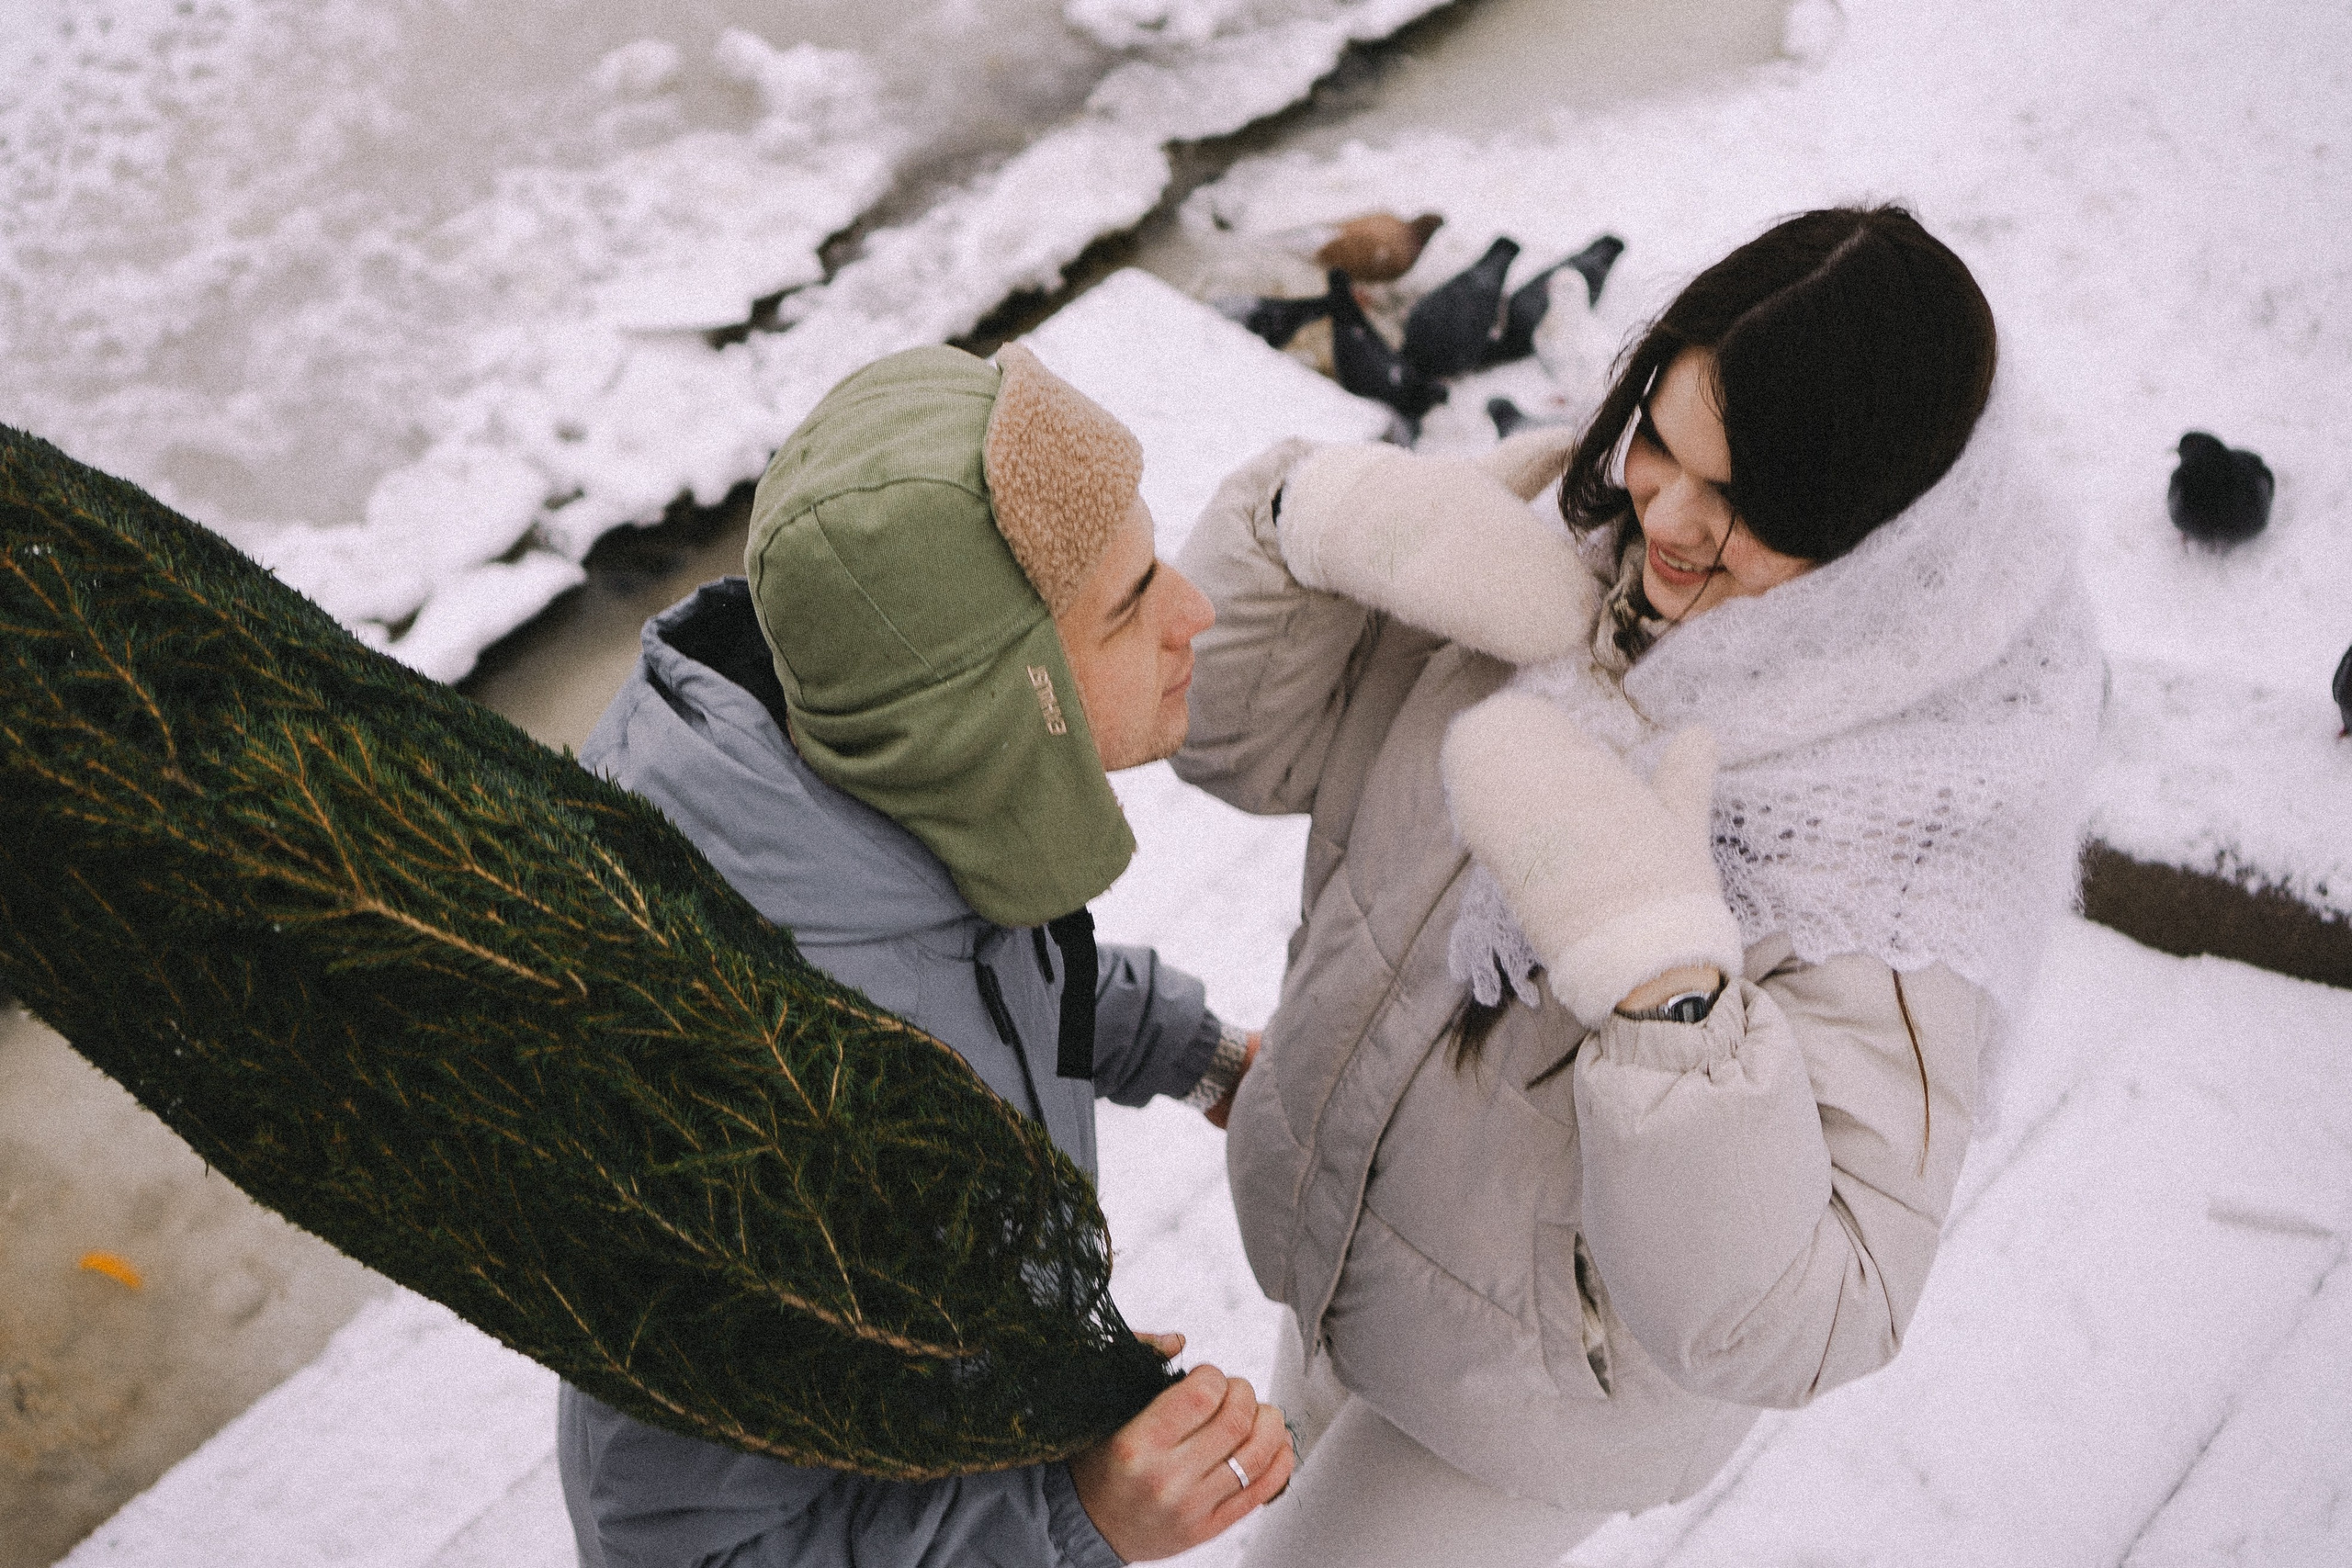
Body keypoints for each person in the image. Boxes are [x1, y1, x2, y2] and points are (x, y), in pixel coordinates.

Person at [1172, 206, 2105, 1565]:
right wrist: (1299, 520)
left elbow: (1808, 1311)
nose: (1665, 516)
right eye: (1658, 440)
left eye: (1744, 501)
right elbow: (1224, 732)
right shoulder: (1563, 526)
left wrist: (1668, 991)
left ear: (1873, 531)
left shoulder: (1897, 831)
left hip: (1533, 1406)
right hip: (1338, 1235)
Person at [557, 342, 1293, 1567]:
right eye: (1130, 601)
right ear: (1006, 712)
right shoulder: (748, 1104)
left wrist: (1197, 1052)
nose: (1193, 614)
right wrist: (1067, 1522)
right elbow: (687, 1551)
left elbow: (991, 968)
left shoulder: (877, 776)